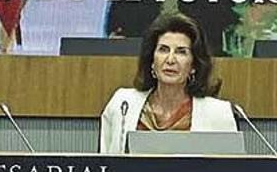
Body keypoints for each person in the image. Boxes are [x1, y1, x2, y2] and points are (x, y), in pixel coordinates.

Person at [99, 12, 236, 154]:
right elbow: (105, 168)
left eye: (181, 52)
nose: (170, 59)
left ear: (194, 65)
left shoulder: (218, 114)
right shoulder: (122, 104)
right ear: (152, 60)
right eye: (163, 50)